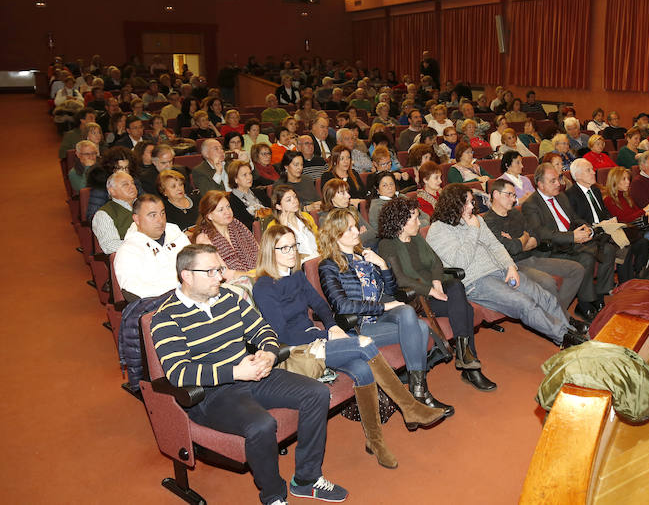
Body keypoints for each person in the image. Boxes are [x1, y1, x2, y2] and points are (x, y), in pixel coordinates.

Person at [151, 243, 347, 505]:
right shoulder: (166, 317)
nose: (220, 276)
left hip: (251, 373)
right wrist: (235, 371)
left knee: (317, 393)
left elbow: (263, 330)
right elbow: (178, 372)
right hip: (212, 395)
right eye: (210, 271)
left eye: (219, 270)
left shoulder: (229, 298)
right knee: (262, 425)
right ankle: (273, 496)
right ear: (187, 275)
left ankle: (306, 479)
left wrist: (268, 352)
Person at [253, 224, 445, 470]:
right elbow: (281, 332)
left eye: (294, 245)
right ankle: (409, 406)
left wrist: (332, 326)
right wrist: (325, 334)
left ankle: (374, 441)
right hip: (299, 350)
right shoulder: (264, 287)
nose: (292, 252)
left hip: (320, 339)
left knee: (363, 370)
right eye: (285, 248)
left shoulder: (297, 275)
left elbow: (321, 306)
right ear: (271, 251)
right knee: (364, 343)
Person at [317, 208, 454, 415]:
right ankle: (421, 395)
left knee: (408, 313)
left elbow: (391, 291)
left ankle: (416, 395)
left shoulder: (363, 257)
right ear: (336, 235)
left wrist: (382, 265)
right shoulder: (328, 266)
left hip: (381, 318)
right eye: (350, 228)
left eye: (355, 226)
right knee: (421, 328)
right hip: (359, 326)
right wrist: (384, 306)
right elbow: (342, 306)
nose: (357, 231)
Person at [426, 184, 585, 348]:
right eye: (466, 203)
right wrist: (473, 231)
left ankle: (570, 332)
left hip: (501, 270)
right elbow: (460, 261)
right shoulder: (438, 230)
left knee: (544, 296)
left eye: (472, 202)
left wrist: (510, 267)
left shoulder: (476, 220)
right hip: (477, 281)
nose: (471, 207)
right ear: (452, 204)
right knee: (524, 303)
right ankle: (566, 339)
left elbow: (495, 246)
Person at [377, 198, 495, 391]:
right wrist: (430, 290)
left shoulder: (416, 238)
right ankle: (470, 367)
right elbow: (400, 279)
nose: (419, 222)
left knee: (456, 285)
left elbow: (436, 263)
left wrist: (437, 282)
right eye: (415, 218)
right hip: (418, 298)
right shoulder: (387, 244)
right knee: (465, 310)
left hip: (435, 290)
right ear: (400, 222)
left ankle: (465, 357)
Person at [522, 162, 619, 322]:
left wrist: (587, 228)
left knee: (607, 249)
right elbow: (541, 233)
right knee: (586, 258)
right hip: (553, 249)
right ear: (540, 184)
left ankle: (600, 295)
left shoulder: (561, 196)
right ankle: (584, 304)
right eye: (552, 181)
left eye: (558, 179)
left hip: (571, 242)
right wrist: (572, 237)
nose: (559, 183)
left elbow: (573, 219)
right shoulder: (531, 204)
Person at [483, 178, 587, 316]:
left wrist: (519, 241)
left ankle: (556, 315)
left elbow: (536, 238)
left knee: (577, 269)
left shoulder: (515, 213)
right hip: (513, 266)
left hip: (532, 257)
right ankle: (561, 320)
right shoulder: (488, 221)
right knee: (547, 282)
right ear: (495, 195)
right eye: (509, 195)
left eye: (514, 195)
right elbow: (511, 249)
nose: (513, 200)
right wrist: (524, 238)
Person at [566, 159, 649, 283]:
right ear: (577, 175)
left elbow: (603, 212)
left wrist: (610, 219)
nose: (593, 172)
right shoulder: (570, 195)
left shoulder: (595, 191)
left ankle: (637, 278)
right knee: (624, 245)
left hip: (605, 229)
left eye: (592, 169)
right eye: (588, 170)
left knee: (640, 241)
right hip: (591, 232)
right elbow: (575, 220)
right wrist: (596, 226)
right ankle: (626, 283)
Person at [114, 194, 190, 300]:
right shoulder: (128, 250)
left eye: (162, 213)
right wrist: (178, 292)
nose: (160, 220)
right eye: (152, 215)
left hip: (192, 293)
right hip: (161, 303)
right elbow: (132, 289)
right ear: (137, 219)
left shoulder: (176, 234)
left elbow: (195, 264)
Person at [602, 166, 649, 248]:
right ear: (614, 181)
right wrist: (646, 209)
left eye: (628, 179)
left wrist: (648, 214)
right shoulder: (609, 200)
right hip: (629, 231)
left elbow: (637, 213)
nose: (628, 182)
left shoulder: (627, 197)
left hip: (639, 228)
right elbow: (623, 220)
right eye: (623, 179)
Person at [194, 190, 259, 276]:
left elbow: (259, 251)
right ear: (209, 216)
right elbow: (223, 273)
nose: (227, 212)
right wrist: (251, 276)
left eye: (228, 207)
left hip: (255, 274)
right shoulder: (204, 239)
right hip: (231, 284)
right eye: (221, 210)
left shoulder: (237, 225)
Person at [263, 184, 320, 264]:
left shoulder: (306, 217)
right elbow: (280, 254)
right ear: (279, 206)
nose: (294, 201)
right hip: (297, 264)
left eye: (295, 197)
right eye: (288, 200)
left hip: (317, 259)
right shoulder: (274, 226)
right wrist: (284, 228)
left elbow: (319, 241)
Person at [91, 170, 138, 254]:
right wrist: (141, 245)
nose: (132, 187)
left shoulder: (145, 205)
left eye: (132, 183)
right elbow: (110, 245)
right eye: (125, 184)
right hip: (130, 257)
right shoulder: (104, 214)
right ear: (112, 191)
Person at [320, 178, 375, 247]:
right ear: (331, 197)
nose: (348, 196)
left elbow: (372, 233)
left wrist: (353, 238)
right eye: (342, 193)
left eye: (347, 192)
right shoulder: (326, 218)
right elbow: (334, 244)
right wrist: (359, 236)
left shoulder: (351, 209)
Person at [229, 160, 272, 230]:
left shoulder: (259, 192)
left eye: (250, 173)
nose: (249, 177)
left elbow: (272, 209)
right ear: (235, 179)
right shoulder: (231, 201)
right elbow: (243, 226)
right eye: (244, 175)